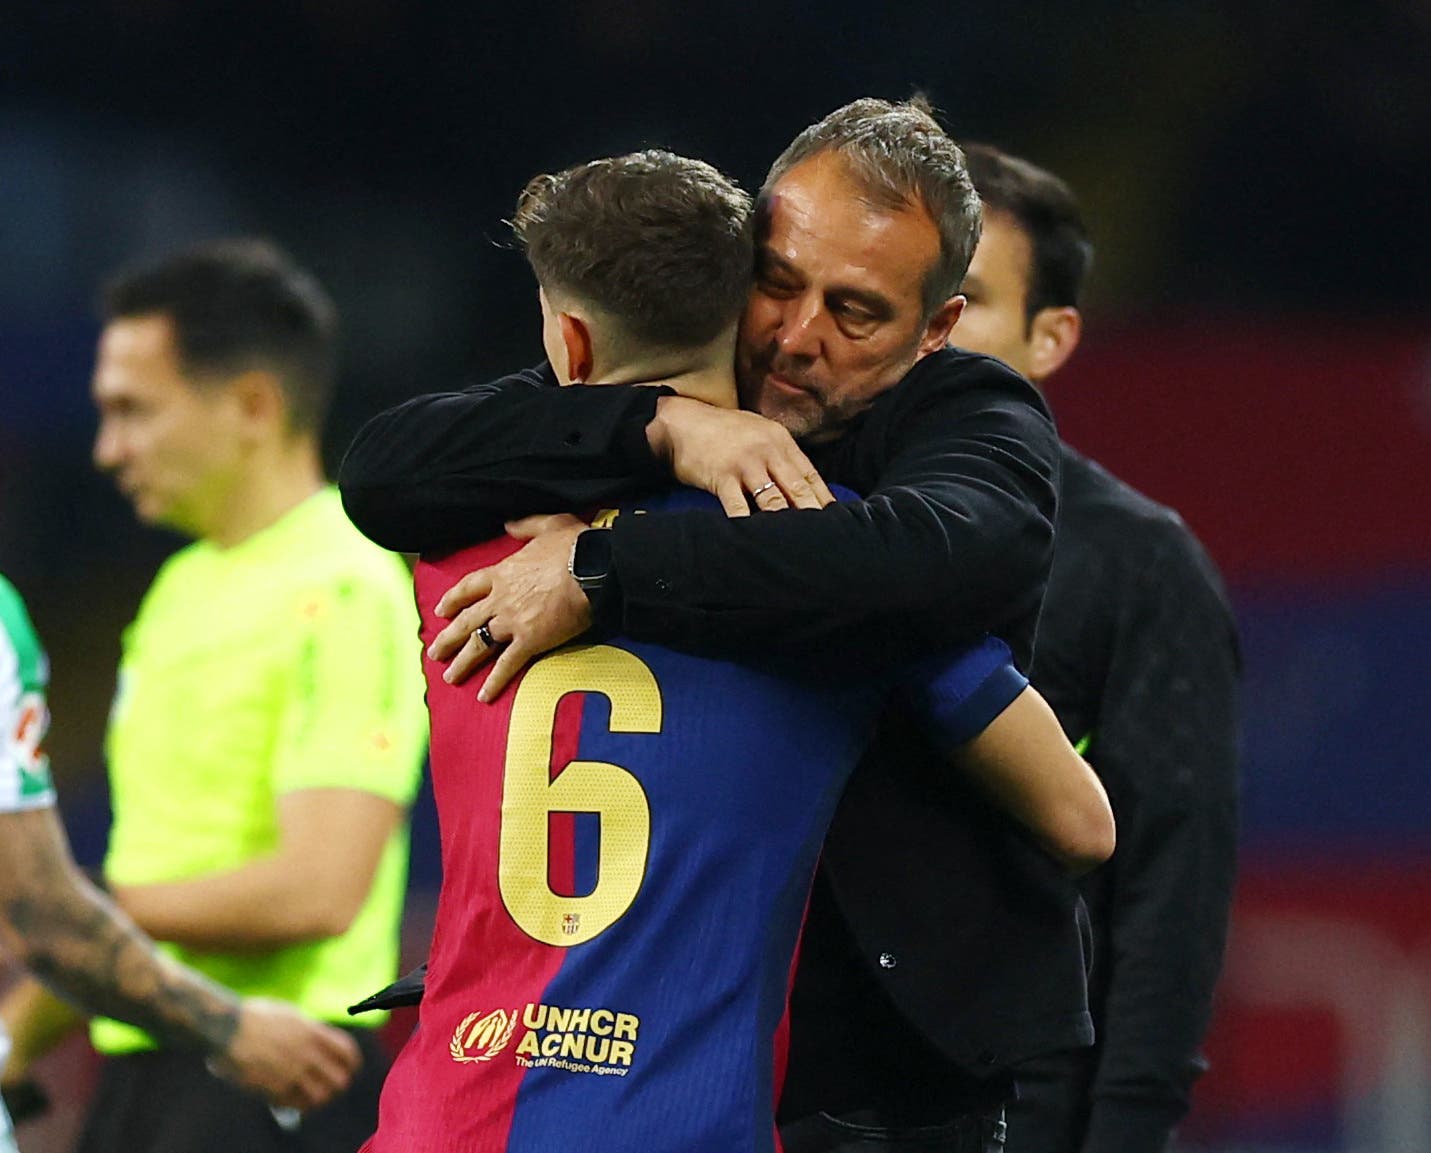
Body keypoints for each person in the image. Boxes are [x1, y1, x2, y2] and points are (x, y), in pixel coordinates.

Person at [339, 98, 1091, 1149]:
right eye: (777, 283)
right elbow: (384, 468)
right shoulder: (647, 409)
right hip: (672, 1067)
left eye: (855, 312)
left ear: (936, 331)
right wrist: (665, 424)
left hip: (883, 1062)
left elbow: (946, 554)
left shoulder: (968, 419)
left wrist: (606, 569)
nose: (796, 336)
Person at [1, 240, 429, 1153]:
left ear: (252, 405)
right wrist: (15, 1034)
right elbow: (149, 885)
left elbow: (317, 890)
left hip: (277, 1070)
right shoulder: (179, 587)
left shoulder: (346, 581)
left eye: (133, 411)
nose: (109, 450)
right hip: (146, 1061)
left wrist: (68, 908)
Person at [949, 142, 1241, 1153]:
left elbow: (1170, 896)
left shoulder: (1138, 564)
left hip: (1025, 1116)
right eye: (911, 291)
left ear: (1050, 337)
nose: (929, 326)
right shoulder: (795, 514)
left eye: (968, 297)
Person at [0, 574, 361, 1153]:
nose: (111, 474)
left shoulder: (342, 584)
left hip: (274, 1048)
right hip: (213, 1047)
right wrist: (230, 1028)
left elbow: (318, 893)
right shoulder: (170, 595)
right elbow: (40, 908)